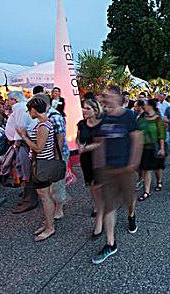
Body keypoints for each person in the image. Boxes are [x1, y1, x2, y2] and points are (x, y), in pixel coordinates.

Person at [91, 85, 143, 264]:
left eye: (112, 95)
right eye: (107, 95)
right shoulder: (103, 118)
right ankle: (110, 243)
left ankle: (131, 215)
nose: (109, 98)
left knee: (130, 200)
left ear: (119, 97)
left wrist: (134, 162)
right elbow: (100, 140)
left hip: (126, 168)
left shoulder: (129, 116)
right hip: (108, 169)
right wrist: (98, 164)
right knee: (108, 207)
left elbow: (137, 138)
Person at [16, 98, 57, 242]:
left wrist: (24, 137)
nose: (29, 113)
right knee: (45, 196)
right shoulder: (44, 123)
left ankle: (50, 227)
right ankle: (48, 223)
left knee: (45, 196)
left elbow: (38, 148)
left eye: (29, 110)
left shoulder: (43, 126)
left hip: (42, 165)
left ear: (34, 110)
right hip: (42, 164)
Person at [34, 93, 69, 220]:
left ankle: (59, 208)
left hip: (56, 155)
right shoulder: (46, 115)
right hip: (50, 155)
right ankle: (58, 204)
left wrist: (57, 157)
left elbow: (60, 137)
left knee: (57, 183)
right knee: (53, 182)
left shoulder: (54, 116)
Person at [3, 91, 38, 212]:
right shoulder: (24, 105)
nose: (8, 102)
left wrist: (17, 142)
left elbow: (20, 125)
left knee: (25, 170)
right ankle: (28, 197)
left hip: (23, 143)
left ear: (14, 100)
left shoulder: (18, 107)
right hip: (25, 141)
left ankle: (29, 200)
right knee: (25, 169)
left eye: (9, 100)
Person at [76, 98, 103, 239]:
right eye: (83, 108)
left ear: (96, 110)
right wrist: (79, 145)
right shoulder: (81, 124)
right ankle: (97, 205)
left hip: (100, 157)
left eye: (87, 108)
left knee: (100, 184)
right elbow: (78, 138)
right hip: (86, 158)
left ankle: (102, 210)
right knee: (91, 183)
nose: (84, 111)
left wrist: (88, 147)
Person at [137, 99, 166, 201]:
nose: (143, 107)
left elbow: (161, 134)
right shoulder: (142, 119)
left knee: (157, 167)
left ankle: (159, 181)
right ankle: (147, 191)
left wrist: (162, 148)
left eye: (145, 105)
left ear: (151, 106)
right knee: (147, 170)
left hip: (155, 147)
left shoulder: (158, 120)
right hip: (144, 148)